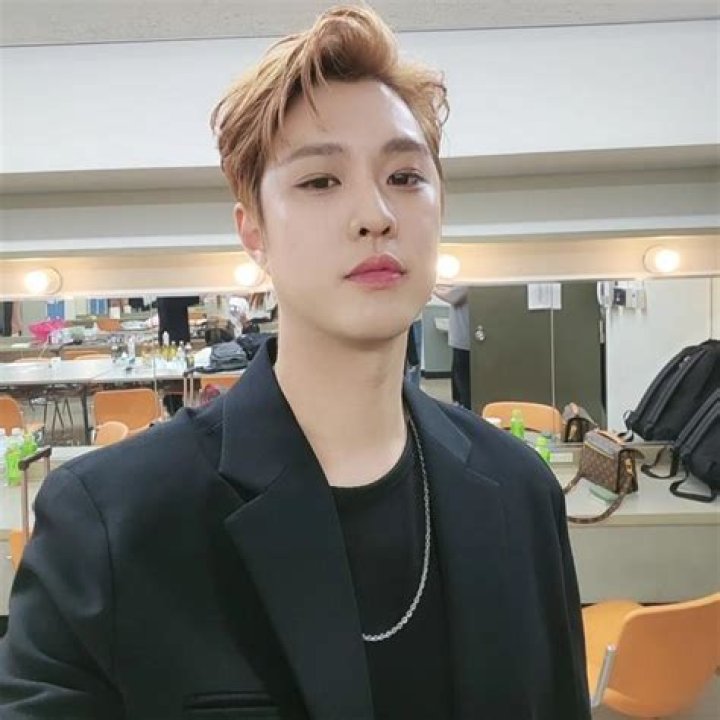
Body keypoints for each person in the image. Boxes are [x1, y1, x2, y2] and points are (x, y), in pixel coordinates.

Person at [0, 6, 590, 719]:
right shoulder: (111, 521)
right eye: (319, 182)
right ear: (254, 231)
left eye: (406, 176)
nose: (375, 214)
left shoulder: (521, 493)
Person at [434, 285, 471, 409]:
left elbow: (452, 297)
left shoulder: (468, 282)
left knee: (463, 379)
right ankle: (459, 405)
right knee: (457, 375)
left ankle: (464, 408)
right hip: (461, 340)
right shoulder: (464, 283)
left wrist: (432, 288)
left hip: (464, 341)